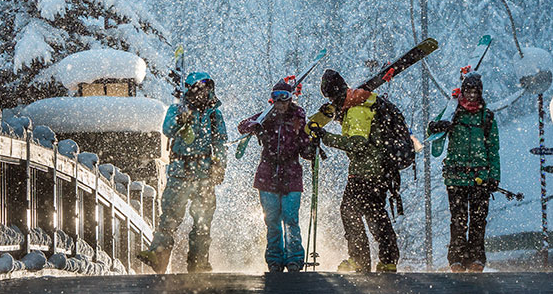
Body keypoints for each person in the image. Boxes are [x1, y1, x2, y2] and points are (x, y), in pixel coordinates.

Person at [305, 69, 400, 273]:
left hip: (365, 172)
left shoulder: (357, 109)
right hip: (378, 171)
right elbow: (360, 131)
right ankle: (388, 260)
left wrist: (326, 136)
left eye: (332, 97)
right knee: (375, 213)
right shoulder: (359, 105)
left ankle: (359, 259)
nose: (332, 101)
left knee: (350, 212)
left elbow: (357, 143)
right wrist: (337, 116)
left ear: (338, 93)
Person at [137, 71, 227, 273]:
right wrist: (180, 120)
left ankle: (199, 262)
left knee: (203, 221)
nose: (202, 93)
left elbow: (220, 143)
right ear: (190, 90)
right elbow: (167, 130)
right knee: (169, 217)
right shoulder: (176, 109)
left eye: (205, 89)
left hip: (204, 175)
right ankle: (158, 256)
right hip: (179, 172)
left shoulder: (214, 115)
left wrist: (219, 166)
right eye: (197, 89)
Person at [237, 80, 316, 273]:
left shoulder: (298, 117)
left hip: (291, 174)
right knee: (272, 220)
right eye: (276, 98)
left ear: (290, 99)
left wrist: (312, 144)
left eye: (284, 98)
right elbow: (242, 126)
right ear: (271, 99)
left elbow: (305, 148)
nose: (280, 103)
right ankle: (274, 259)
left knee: (290, 218)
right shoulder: (266, 117)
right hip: (268, 175)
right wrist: (255, 125)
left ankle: (295, 259)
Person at [427, 72, 500, 273]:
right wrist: (435, 126)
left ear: (480, 93)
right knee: (458, 219)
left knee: (478, 220)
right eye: (468, 91)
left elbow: (493, 149)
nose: (471, 95)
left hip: (480, 177)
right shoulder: (452, 112)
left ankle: (476, 258)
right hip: (456, 176)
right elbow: (433, 133)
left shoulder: (487, 117)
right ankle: (457, 258)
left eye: (475, 92)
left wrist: (494, 176)